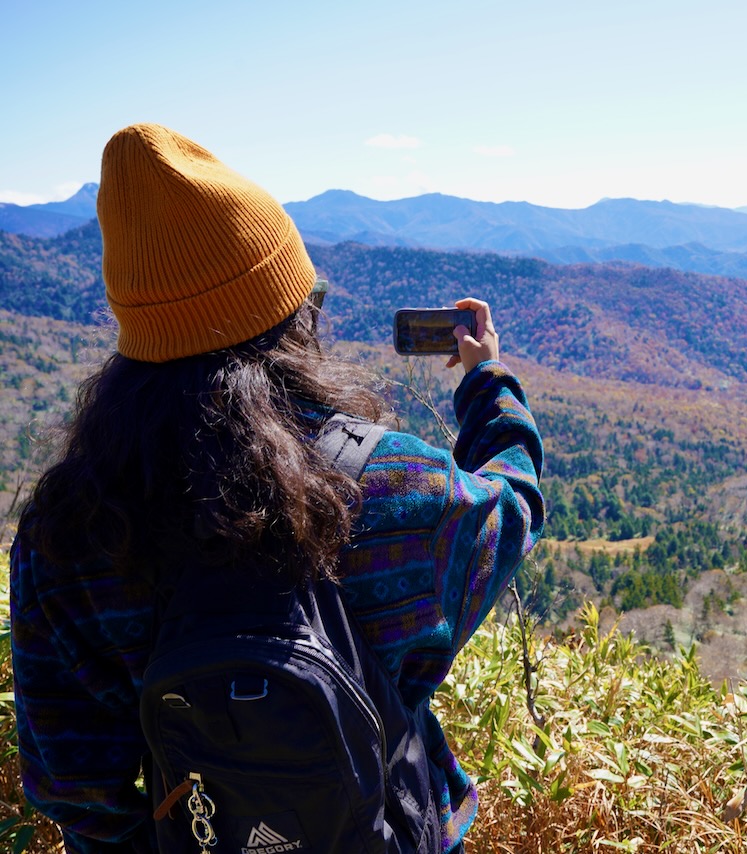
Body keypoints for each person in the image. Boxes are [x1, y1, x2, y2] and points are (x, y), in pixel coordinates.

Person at [8, 123, 544, 853]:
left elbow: (72, 784)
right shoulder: (391, 489)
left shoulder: (67, 532)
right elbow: (512, 509)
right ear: (291, 319)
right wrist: (488, 384)